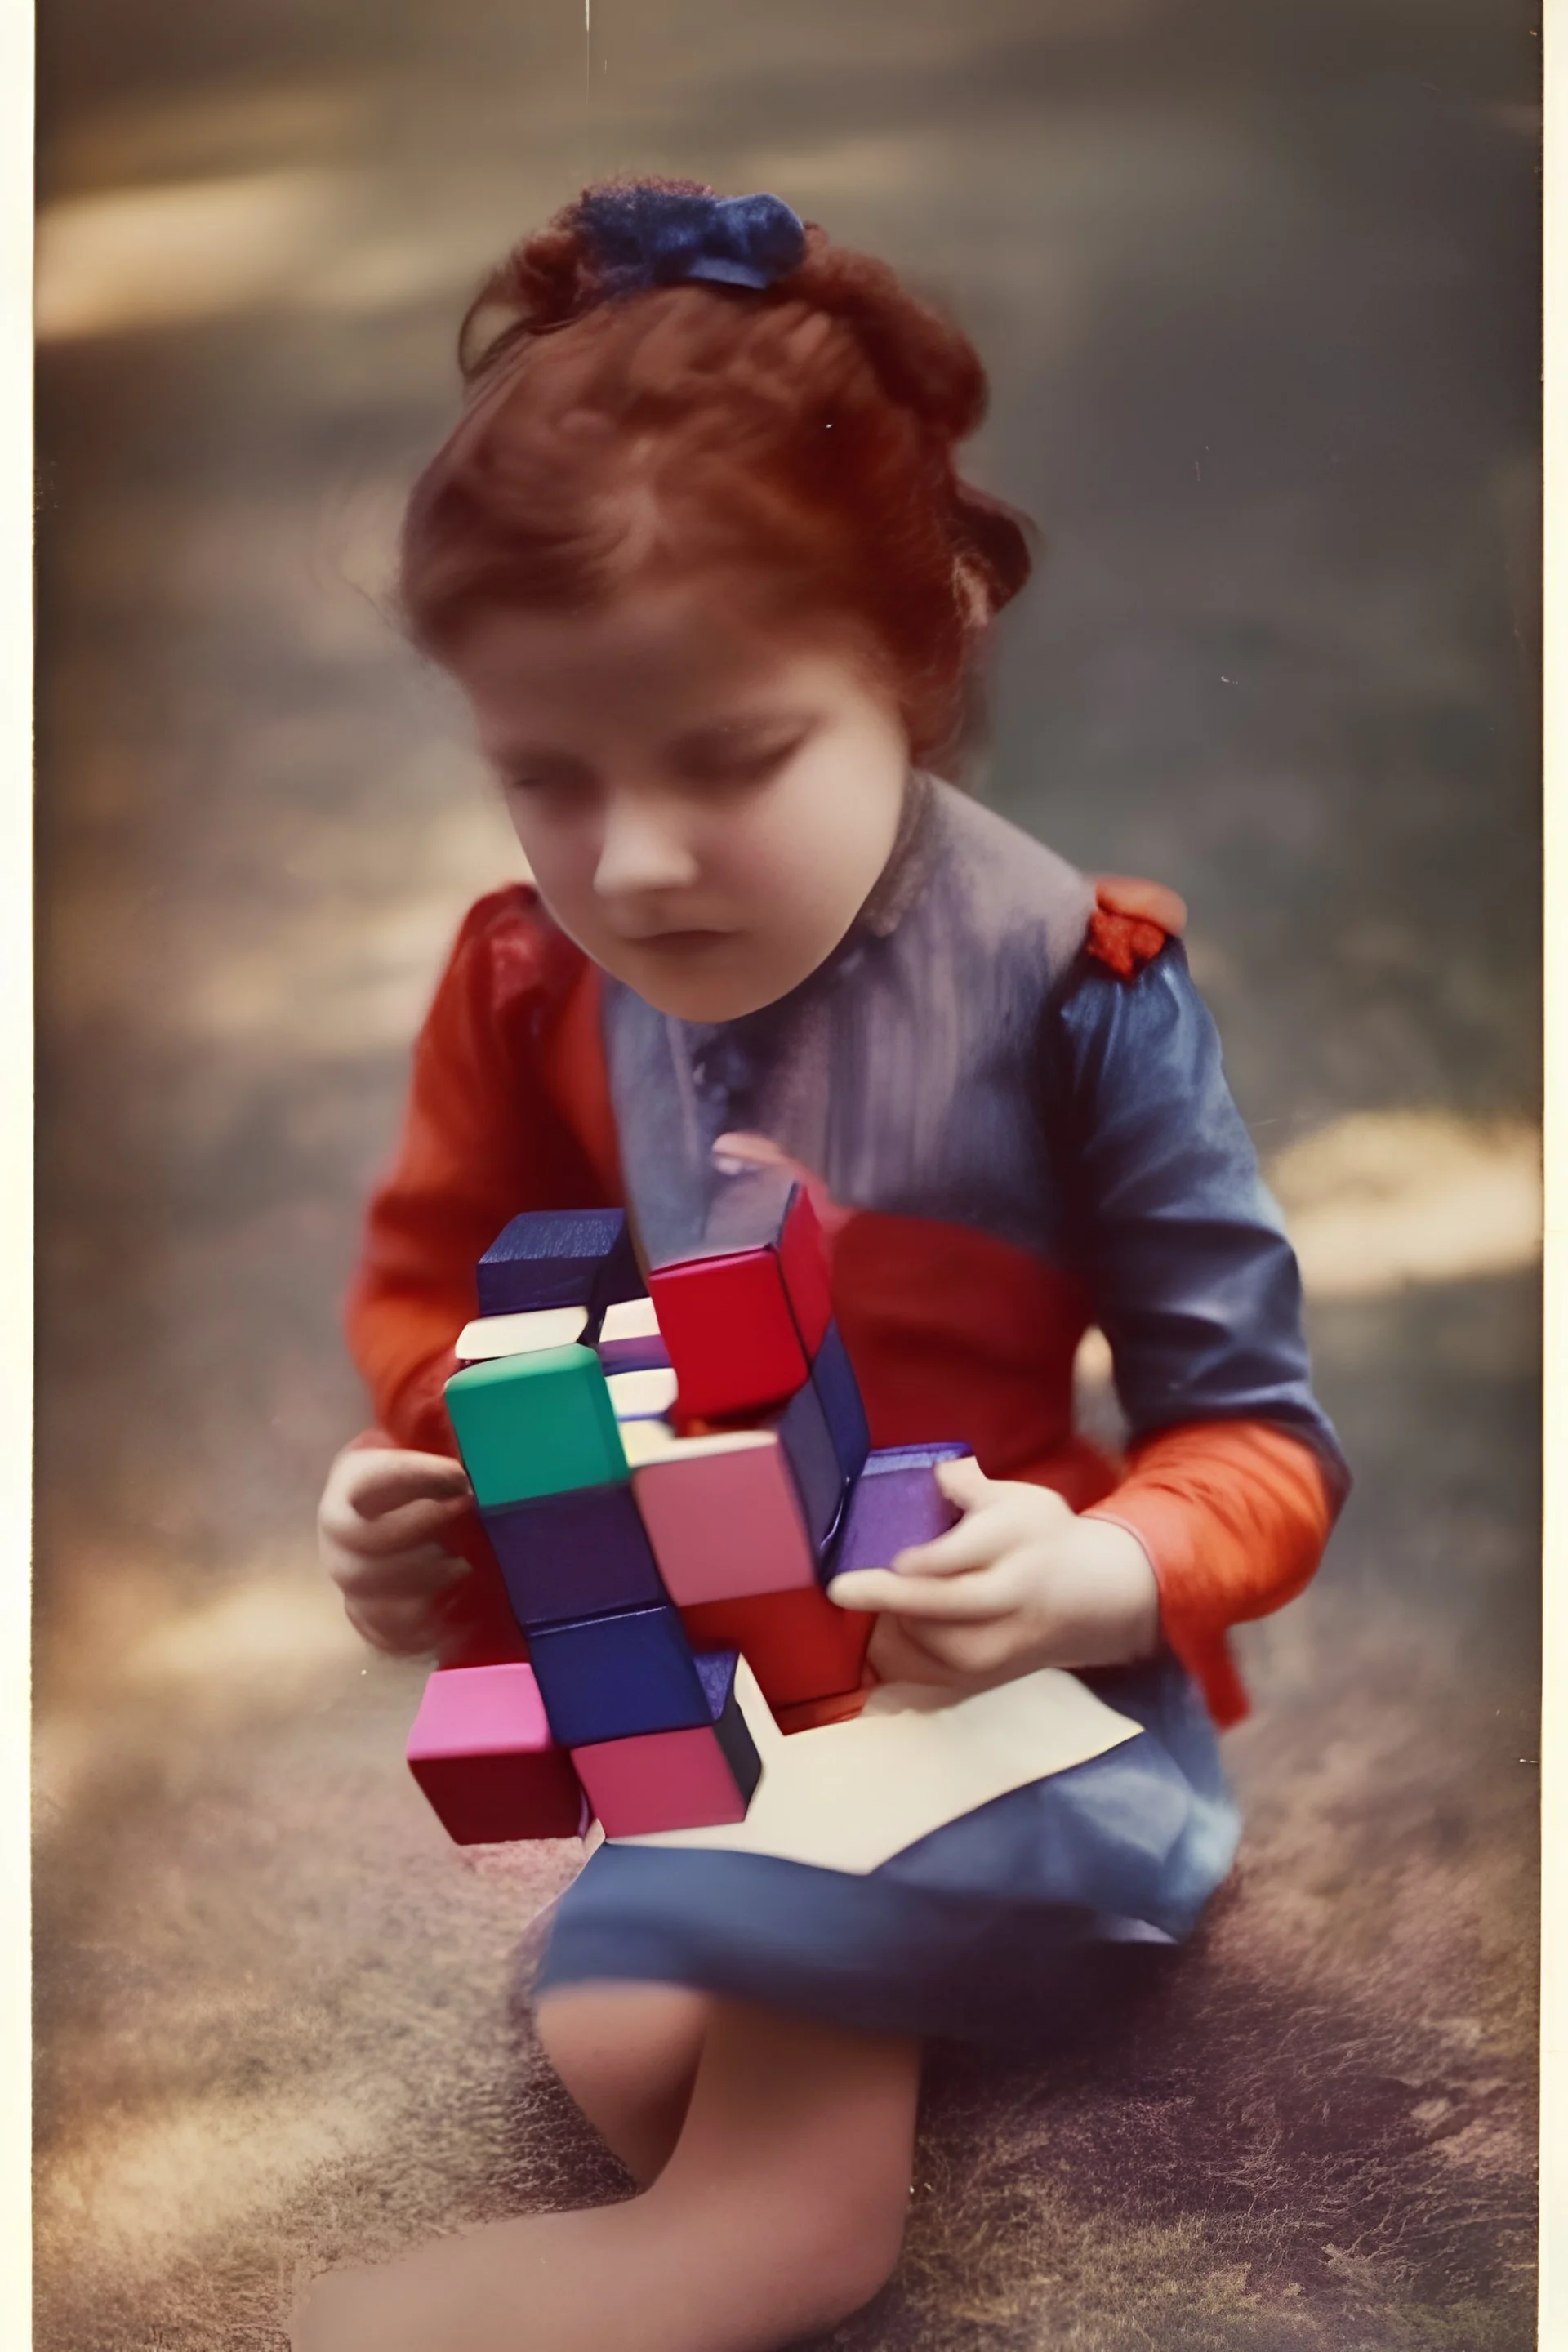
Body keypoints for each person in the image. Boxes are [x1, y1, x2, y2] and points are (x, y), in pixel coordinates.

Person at [298, 180, 1349, 2352]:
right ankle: (851, 2032)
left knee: (774, 1993)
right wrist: (441, 1479)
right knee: (608, 2035)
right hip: (711, 1693)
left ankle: (761, 2238)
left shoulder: (1080, 985)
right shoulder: (525, 984)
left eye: (735, 756)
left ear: (921, 650)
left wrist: (1097, 1571)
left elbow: (1252, 1435)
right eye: (544, 779)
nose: (639, 859)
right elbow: (447, 1302)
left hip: (1012, 1688)